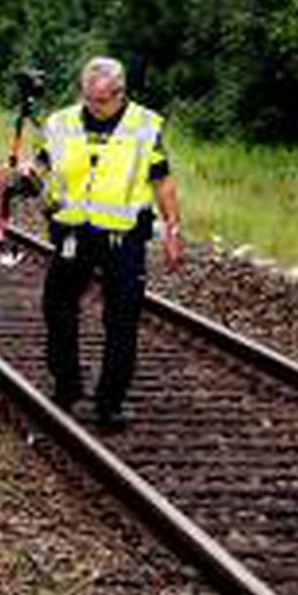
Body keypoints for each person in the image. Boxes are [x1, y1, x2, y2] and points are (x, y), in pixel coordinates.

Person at [21, 56, 183, 429]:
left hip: (123, 236)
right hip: (74, 233)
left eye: (103, 100)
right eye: (89, 99)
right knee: (57, 307)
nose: (95, 106)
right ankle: (67, 386)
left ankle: (109, 403)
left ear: (120, 93)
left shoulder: (144, 125)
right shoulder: (61, 122)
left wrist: (173, 230)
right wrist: (30, 173)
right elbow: (43, 162)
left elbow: (163, 180)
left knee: (122, 320)